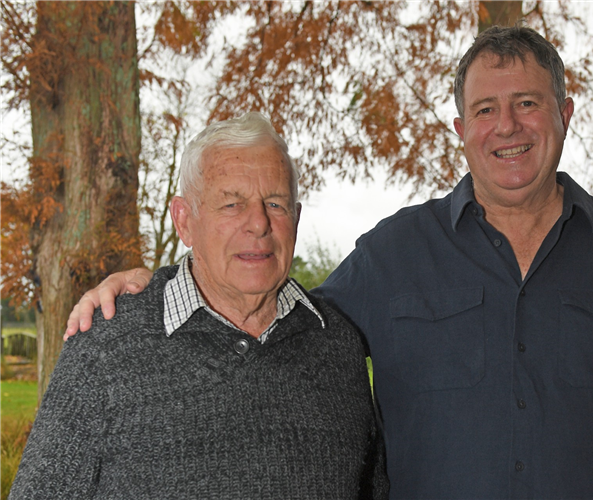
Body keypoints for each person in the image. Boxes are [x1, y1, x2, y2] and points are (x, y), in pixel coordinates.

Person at [65, 26, 593, 499]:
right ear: (461, 129)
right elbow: (271, 315)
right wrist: (158, 287)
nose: (508, 126)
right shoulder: (395, 253)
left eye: (528, 103)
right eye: (485, 109)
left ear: (564, 114)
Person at [12, 112, 388, 499]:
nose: (258, 224)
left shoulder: (338, 345)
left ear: (297, 217)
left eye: (275, 204)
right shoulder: (106, 346)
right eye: (231, 205)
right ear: (184, 220)